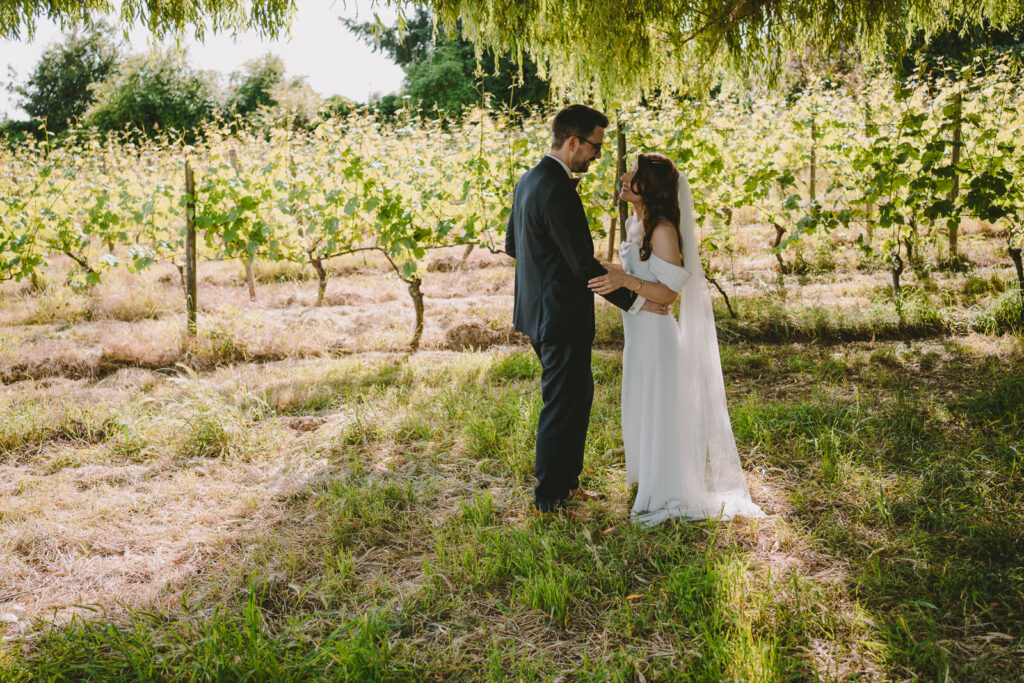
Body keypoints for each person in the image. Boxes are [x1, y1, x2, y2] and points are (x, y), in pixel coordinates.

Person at [505, 105, 668, 513]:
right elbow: (583, 266)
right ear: (573, 142)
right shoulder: (557, 189)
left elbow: (513, 246)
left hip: (537, 312)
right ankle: (551, 497)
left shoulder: (528, 180)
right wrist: (638, 300)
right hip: (560, 318)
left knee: (571, 399)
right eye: (594, 146)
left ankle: (565, 486)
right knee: (564, 404)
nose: (598, 156)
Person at [588, 153, 765, 525]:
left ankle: (666, 486)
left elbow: (668, 294)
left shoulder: (663, 230)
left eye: (633, 173)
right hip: (638, 333)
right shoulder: (637, 222)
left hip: (656, 337)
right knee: (644, 403)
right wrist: (617, 272)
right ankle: (650, 476)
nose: (623, 176)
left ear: (648, 186)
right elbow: (646, 272)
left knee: (660, 406)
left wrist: (625, 281)